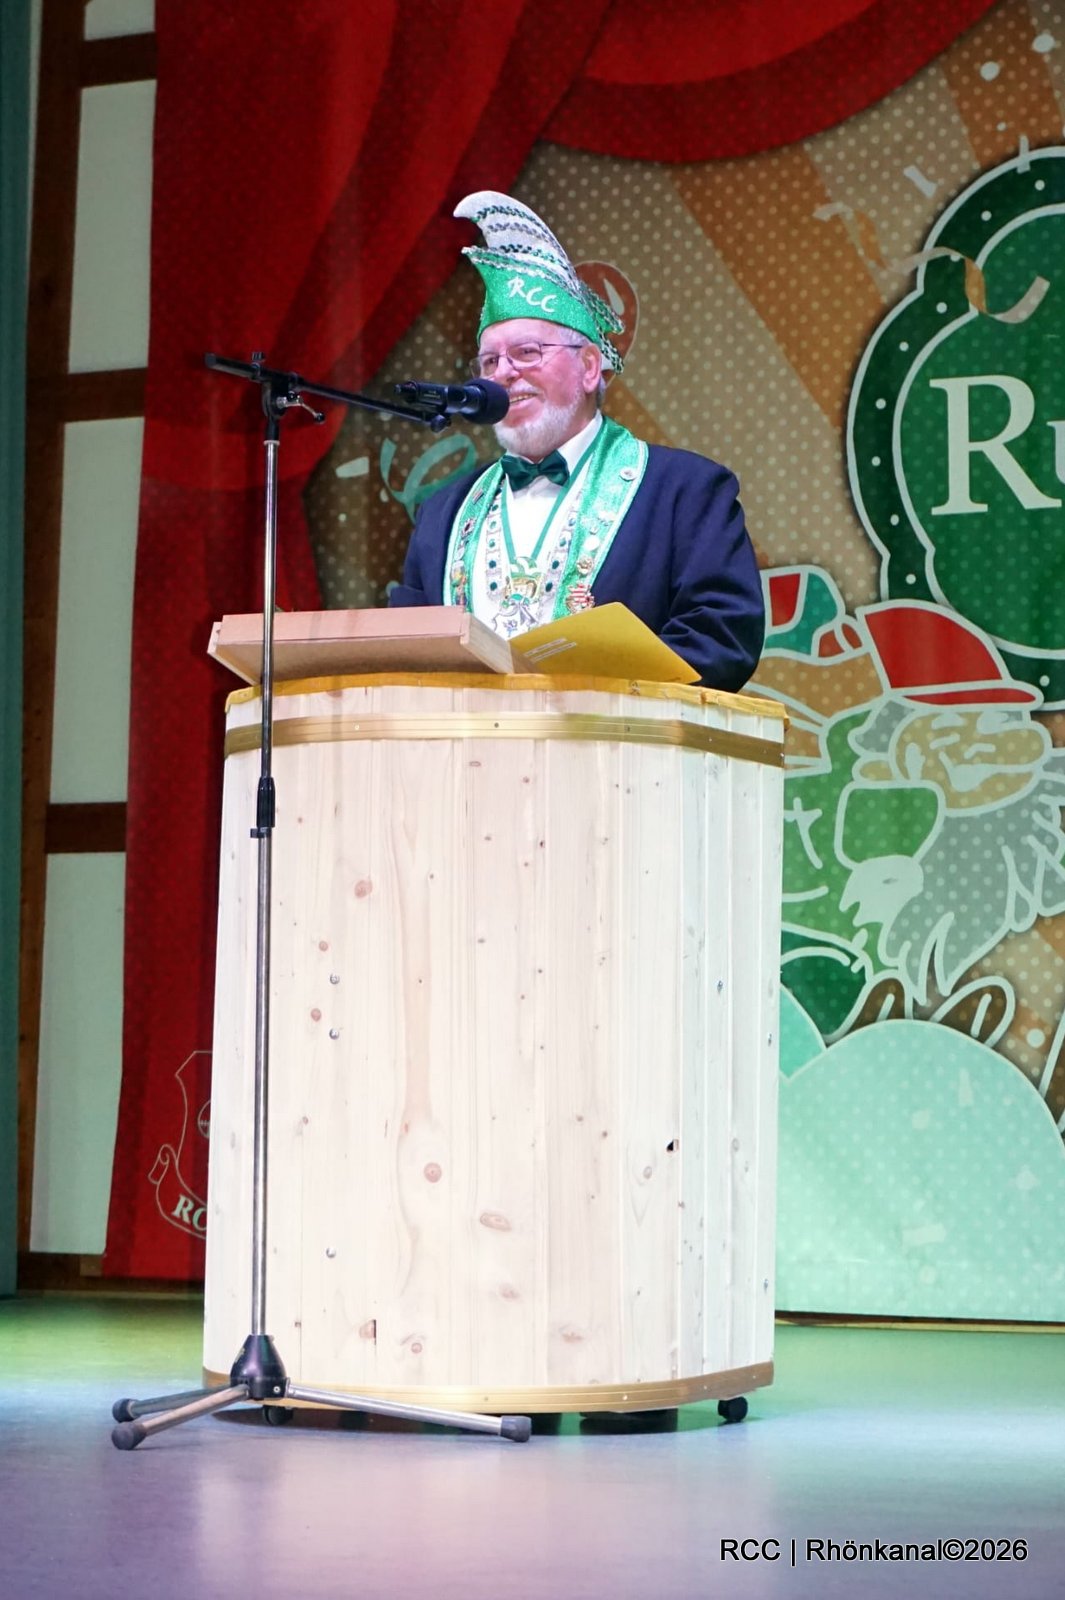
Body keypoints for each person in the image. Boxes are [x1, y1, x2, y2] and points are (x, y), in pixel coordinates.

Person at [389, 188, 764, 692]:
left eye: (527, 352)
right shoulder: (444, 513)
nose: (506, 373)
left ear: (589, 367)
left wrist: (592, 691)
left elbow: (720, 640)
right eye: (491, 361)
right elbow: (408, 656)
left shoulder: (685, 491)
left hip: (617, 741)